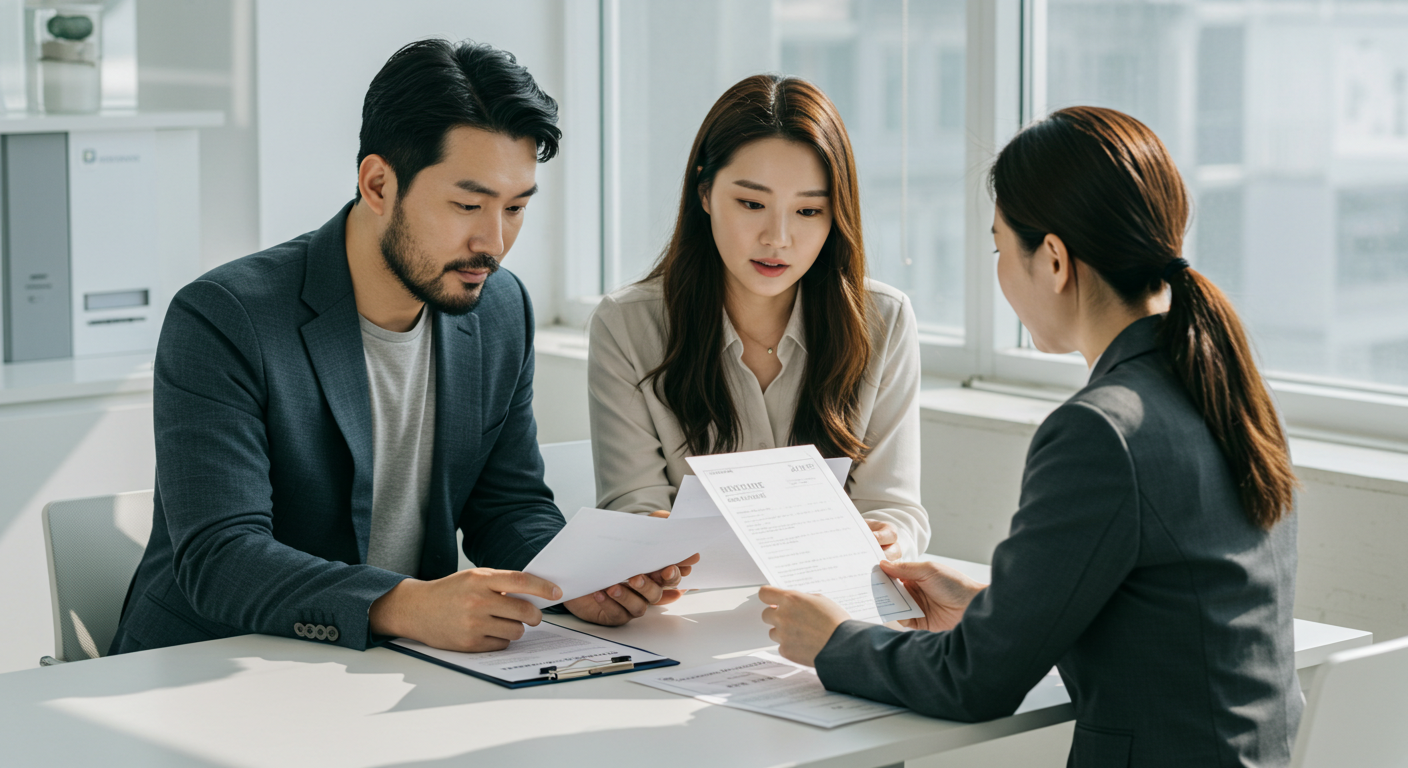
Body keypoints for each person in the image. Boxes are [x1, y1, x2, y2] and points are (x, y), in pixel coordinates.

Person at [110, 39, 694, 656]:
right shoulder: (226, 317)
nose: (493, 242)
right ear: (379, 183)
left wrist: (573, 581)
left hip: (397, 670)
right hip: (211, 668)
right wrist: (402, 604)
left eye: (516, 207)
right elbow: (222, 559)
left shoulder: (499, 307)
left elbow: (508, 506)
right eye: (468, 204)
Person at [760, 106, 1303, 767]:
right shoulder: (1228, 391)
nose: (999, 274)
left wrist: (831, 641)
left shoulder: (1100, 431)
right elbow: (1164, 615)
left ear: (1051, 259)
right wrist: (992, 609)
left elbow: (973, 684)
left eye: (998, 247)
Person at [588, 74, 930, 561]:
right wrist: (649, 541)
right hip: (685, 614)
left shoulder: (884, 322)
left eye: (809, 211)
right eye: (751, 203)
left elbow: (893, 509)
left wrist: (889, 539)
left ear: (837, 216)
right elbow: (633, 503)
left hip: (830, 609)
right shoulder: (626, 325)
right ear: (704, 193)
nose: (778, 238)